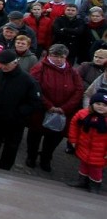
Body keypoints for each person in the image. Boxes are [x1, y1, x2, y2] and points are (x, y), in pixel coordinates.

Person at [0, 50, 42, 170]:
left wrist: (19, 113)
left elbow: (35, 102)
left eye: (6, 64)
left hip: (15, 120)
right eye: (1, 64)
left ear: (15, 63)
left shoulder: (28, 80)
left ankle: (5, 165)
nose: (3, 67)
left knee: (11, 144)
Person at [26, 44, 83, 172]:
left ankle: (46, 158)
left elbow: (79, 90)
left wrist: (66, 108)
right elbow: (34, 87)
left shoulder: (72, 71)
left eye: (61, 57)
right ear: (49, 56)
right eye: (55, 56)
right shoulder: (40, 67)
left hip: (63, 112)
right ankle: (31, 156)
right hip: (41, 110)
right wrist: (48, 105)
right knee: (35, 135)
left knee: (54, 137)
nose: (58, 59)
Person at [66, 90, 107, 194]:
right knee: (84, 164)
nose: (100, 107)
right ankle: (82, 181)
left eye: (104, 105)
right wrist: (73, 140)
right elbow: (74, 124)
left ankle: (95, 185)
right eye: (98, 104)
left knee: (96, 169)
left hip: (101, 151)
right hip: (84, 146)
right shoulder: (83, 114)